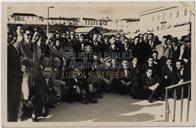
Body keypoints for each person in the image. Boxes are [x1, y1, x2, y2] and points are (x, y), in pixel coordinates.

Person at [8, 31, 23, 121]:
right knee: (9, 109)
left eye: (15, 36)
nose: (14, 38)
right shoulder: (5, 48)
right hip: (9, 83)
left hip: (16, 82)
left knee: (14, 108)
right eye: (10, 35)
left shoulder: (12, 48)